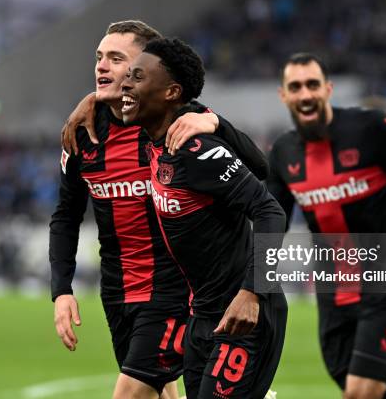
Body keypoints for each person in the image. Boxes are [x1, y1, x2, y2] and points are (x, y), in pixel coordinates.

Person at [50, 20, 269, 399]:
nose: (102, 66)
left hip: (173, 290)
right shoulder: (82, 131)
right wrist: (62, 289)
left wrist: (215, 121)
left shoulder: (174, 121)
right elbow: (66, 214)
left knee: (130, 394)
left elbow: (260, 169)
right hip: (117, 291)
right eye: (100, 57)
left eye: (117, 59)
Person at [267, 52, 386, 399]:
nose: (305, 94)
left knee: (360, 392)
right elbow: (273, 220)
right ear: (283, 96)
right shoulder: (283, 152)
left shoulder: (372, 128)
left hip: (385, 276)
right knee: (351, 385)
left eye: (312, 84)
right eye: (295, 87)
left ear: (328, 89)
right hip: (334, 287)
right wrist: (251, 284)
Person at [120, 37, 288, 399]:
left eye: (137, 77)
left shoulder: (195, 150)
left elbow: (270, 210)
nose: (125, 84)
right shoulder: (153, 137)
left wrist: (252, 292)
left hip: (245, 314)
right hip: (202, 317)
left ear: (170, 92)